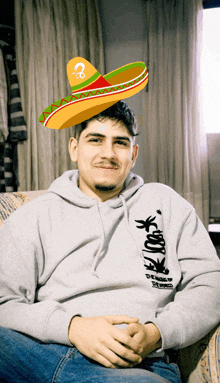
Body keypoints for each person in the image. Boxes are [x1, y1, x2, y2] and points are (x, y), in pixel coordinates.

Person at [0, 100, 220, 383]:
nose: (108, 153)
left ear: (134, 153)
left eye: (120, 143)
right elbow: (4, 300)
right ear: (74, 148)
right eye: (95, 140)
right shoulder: (33, 216)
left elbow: (210, 283)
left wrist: (156, 333)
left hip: (136, 367)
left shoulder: (166, 204)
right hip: (40, 355)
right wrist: (72, 328)